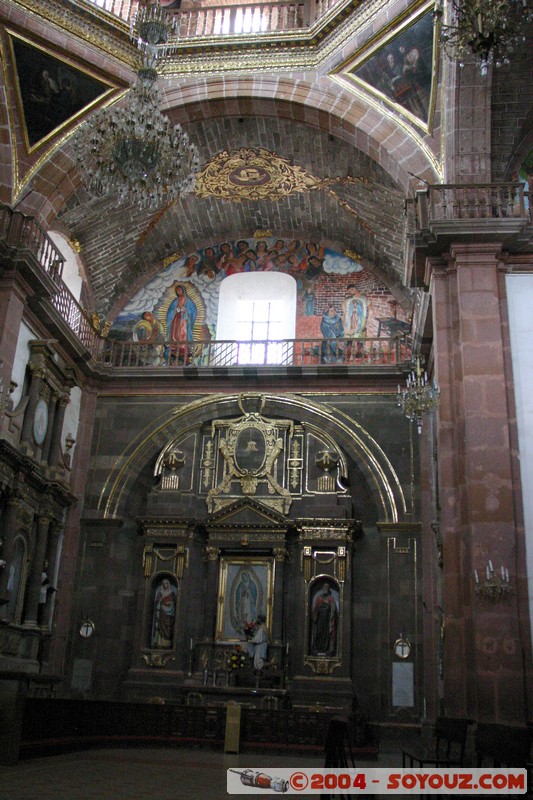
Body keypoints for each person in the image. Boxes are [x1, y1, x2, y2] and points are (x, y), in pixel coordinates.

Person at [165, 283, 198, 364]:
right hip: (176, 319)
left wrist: (186, 310)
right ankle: (174, 348)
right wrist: (174, 310)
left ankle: (183, 349)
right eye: (177, 291)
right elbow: (169, 311)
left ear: (183, 290)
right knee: (175, 333)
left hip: (184, 319)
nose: (178, 292)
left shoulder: (188, 300)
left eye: (180, 290)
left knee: (183, 334)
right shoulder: (175, 301)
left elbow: (193, 310)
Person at [311, 581, 338, 656]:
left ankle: (326, 648)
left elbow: (333, 610)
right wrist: (315, 616)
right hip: (320, 619)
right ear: (322, 588)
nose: (325, 588)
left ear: (328, 589)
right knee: (319, 632)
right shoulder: (319, 598)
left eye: (327, 587)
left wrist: (328, 604)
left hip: (327, 620)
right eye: (324, 587)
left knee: (326, 634)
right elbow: (316, 608)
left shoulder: (331, 598)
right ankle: (318, 648)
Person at [151, 577, 177, 648]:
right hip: (162, 613)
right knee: (160, 628)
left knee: (168, 629)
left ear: (168, 584)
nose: (165, 585)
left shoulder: (172, 593)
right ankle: (159, 642)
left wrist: (170, 603)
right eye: (164, 584)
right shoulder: (160, 593)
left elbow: (175, 603)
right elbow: (156, 603)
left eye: (166, 583)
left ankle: (167, 643)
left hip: (169, 614)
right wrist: (161, 600)